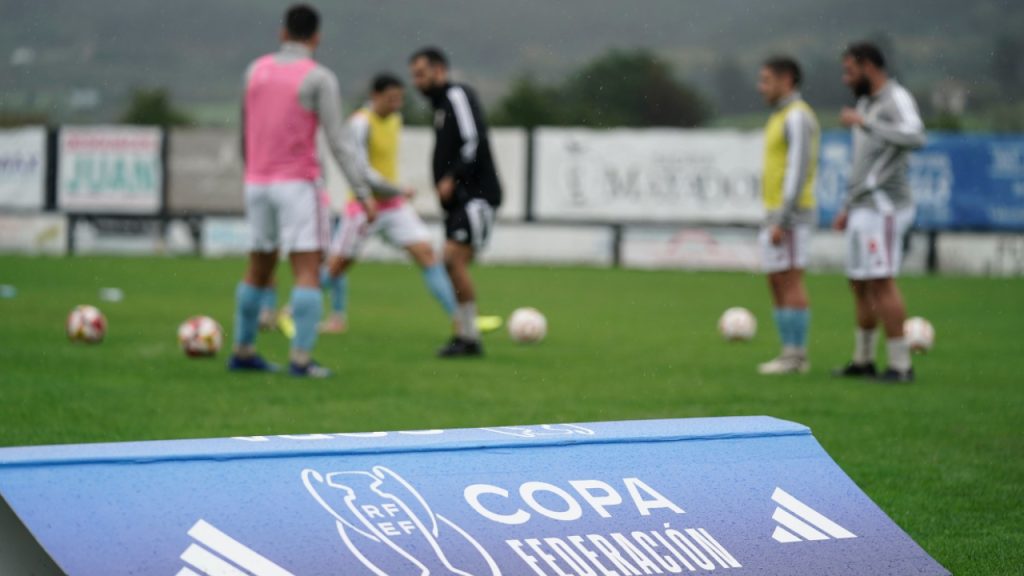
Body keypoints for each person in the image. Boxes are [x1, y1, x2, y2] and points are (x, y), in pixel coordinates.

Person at [230, 3, 382, 378]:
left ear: (282, 33)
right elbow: (339, 141)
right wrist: (363, 193)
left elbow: (243, 132)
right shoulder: (319, 78)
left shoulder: (255, 70)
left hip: (257, 183)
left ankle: (243, 350)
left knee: (257, 269)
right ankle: (300, 359)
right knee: (308, 272)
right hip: (297, 184)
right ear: (317, 37)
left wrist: (253, 173)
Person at [319, 73, 459, 340]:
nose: (397, 104)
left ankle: (460, 320)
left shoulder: (395, 119)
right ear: (375, 96)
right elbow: (361, 170)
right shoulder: (360, 124)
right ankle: (294, 311)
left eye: (400, 99)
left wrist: (395, 192)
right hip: (365, 206)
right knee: (337, 267)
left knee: (427, 253)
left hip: (393, 207)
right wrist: (398, 189)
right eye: (391, 99)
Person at [832, 42, 926, 383]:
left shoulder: (895, 98)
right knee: (858, 283)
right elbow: (863, 162)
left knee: (882, 281)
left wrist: (867, 124)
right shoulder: (866, 102)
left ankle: (901, 366)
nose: (846, 78)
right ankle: (863, 360)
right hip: (862, 207)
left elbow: (916, 136)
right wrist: (847, 206)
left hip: (885, 207)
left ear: (869, 66)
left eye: (849, 70)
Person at [409, 47, 502, 358]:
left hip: (474, 196)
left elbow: (474, 138)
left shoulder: (456, 96)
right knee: (452, 264)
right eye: (414, 76)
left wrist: (452, 176)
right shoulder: (440, 107)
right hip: (459, 202)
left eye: (421, 74)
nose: (416, 82)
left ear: (440, 71)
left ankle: (469, 337)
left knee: (452, 260)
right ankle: (466, 336)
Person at [755, 56, 820, 375]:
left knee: (791, 279)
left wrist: (783, 216)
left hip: (790, 215)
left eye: (766, 80)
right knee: (776, 279)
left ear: (787, 79)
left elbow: (798, 169)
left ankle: (797, 356)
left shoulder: (797, 116)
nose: (761, 87)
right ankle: (787, 353)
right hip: (774, 213)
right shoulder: (779, 116)